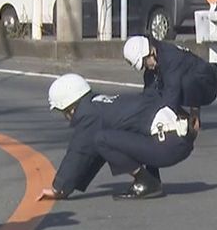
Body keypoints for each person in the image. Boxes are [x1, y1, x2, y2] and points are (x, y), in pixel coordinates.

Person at [38, 73, 198, 202]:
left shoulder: (88, 115)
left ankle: (147, 183)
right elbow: (95, 153)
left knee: (102, 139)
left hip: (168, 145)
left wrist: (59, 188)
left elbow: (78, 153)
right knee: (109, 138)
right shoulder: (102, 105)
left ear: (70, 108)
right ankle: (152, 179)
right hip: (178, 137)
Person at [122, 35, 217, 118]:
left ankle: (190, 117)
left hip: (207, 84)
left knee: (182, 84)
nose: (147, 67)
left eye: (145, 63)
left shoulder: (170, 59)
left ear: (151, 52)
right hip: (187, 83)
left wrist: (193, 113)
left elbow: (172, 93)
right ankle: (184, 117)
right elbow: (148, 95)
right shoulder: (157, 57)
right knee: (154, 91)